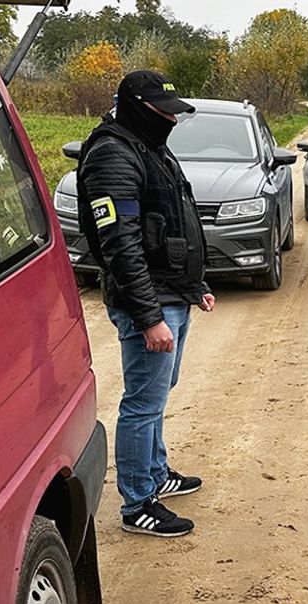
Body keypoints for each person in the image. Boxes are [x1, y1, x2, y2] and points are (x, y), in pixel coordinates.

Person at [77, 70, 213, 538]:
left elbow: (172, 217)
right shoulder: (113, 154)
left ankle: (156, 473)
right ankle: (138, 503)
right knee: (142, 402)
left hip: (173, 293)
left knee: (158, 394)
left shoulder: (148, 144)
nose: (171, 121)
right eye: (164, 113)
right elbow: (121, 244)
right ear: (137, 107)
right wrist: (149, 316)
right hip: (149, 301)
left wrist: (195, 285)